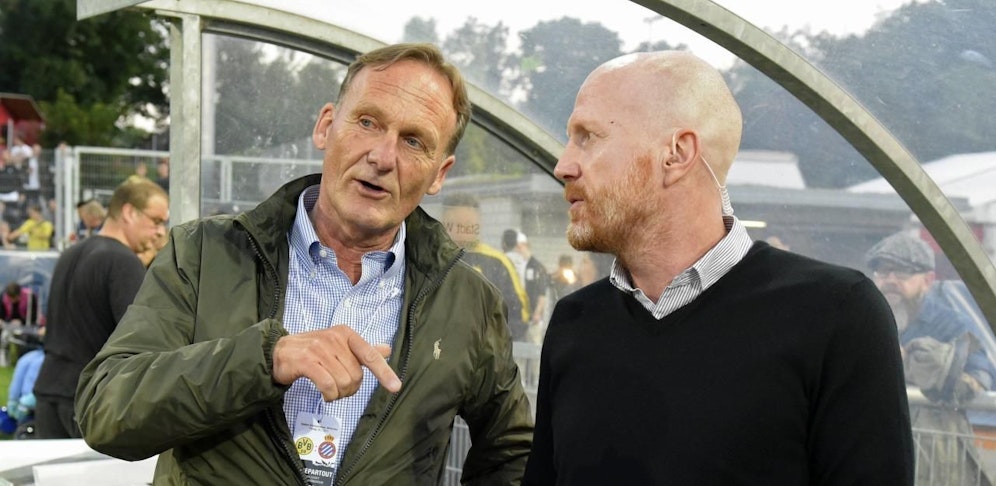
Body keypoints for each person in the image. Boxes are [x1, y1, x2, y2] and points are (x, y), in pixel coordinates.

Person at [75, 43, 532, 484]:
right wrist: (264, 359)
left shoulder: (468, 301)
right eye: (367, 122)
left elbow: (512, 452)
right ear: (326, 126)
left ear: (439, 173)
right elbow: (106, 409)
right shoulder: (205, 253)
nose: (382, 157)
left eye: (413, 141)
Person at [523, 50, 913, 484]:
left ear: (676, 153)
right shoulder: (576, 321)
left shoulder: (836, 314)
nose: (563, 166)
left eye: (588, 137)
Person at [33, 177, 168, 439]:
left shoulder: (71, 253)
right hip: (87, 397)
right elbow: (142, 341)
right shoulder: (122, 261)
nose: (160, 231)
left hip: (49, 389)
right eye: (156, 220)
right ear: (129, 212)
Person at [866, 231, 996, 485]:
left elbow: (980, 377)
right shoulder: (863, 317)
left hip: (932, 454)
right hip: (872, 444)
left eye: (902, 273)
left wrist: (919, 364)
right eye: (883, 272)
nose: (890, 280)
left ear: (928, 280)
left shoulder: (952, 324)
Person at [442, 192, 531, 341]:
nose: (462, 233)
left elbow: (518, 315)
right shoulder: (429, 258)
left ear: (478, 223)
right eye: (456, 225)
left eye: (468, 225)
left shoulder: (497, 262)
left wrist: (490, 343)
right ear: (444, 223)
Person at [502, 229, 551, 336]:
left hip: (532, 318)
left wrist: (537, 313)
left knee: (532, 341)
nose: (517, 250)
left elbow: (542, 293)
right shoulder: (515, 264)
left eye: (518, 246)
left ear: (524, 245)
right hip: (518, 317)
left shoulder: (537, 267)